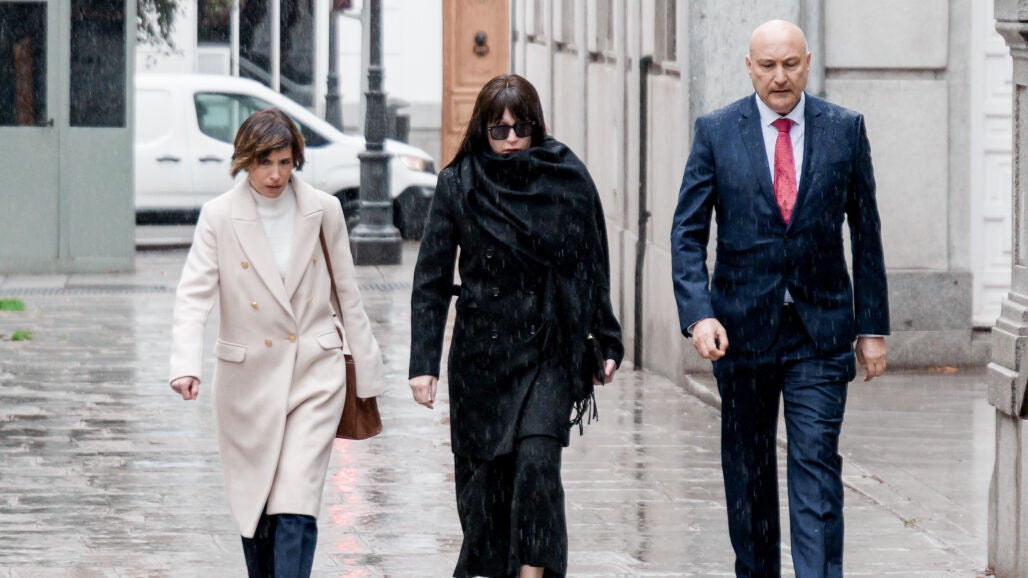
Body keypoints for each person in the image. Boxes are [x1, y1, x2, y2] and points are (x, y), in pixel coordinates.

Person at [670, 20, 889, 578]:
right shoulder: (717, 131)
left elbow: (866, 232)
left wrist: (872, 327)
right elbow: (687, 233)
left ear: (807, 62)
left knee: (815, 462)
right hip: (741, 333)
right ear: (749, 67)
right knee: (748, 472)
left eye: (790, 64)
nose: (780, 77)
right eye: (767, 65)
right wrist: (698, 315)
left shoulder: (844, 129)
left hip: (820, 330)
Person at [409, 73, 624, 578]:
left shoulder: (565, 177)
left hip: (549, 345)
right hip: (481, 357)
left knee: (537, 463)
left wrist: (606, 339)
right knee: (485, 485)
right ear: (482, 130)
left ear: (536, 127)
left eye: (520, 129)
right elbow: (431, 278)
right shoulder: (459, 183)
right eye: (499, 130)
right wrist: (423, 364)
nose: (510, 140)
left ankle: (533, 571)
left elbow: (590, 262)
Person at [167, 108, 385, 577]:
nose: (275, 174)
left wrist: (367, 373)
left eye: (285, 162)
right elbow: (193, 295)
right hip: (247, 382)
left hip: (314, 372)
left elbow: (347, 293)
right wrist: (185, 363)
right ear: (244, 161)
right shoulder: (219, 217)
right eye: (264, 162)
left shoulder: (323, 209)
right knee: (257, 507)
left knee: (295, 502)